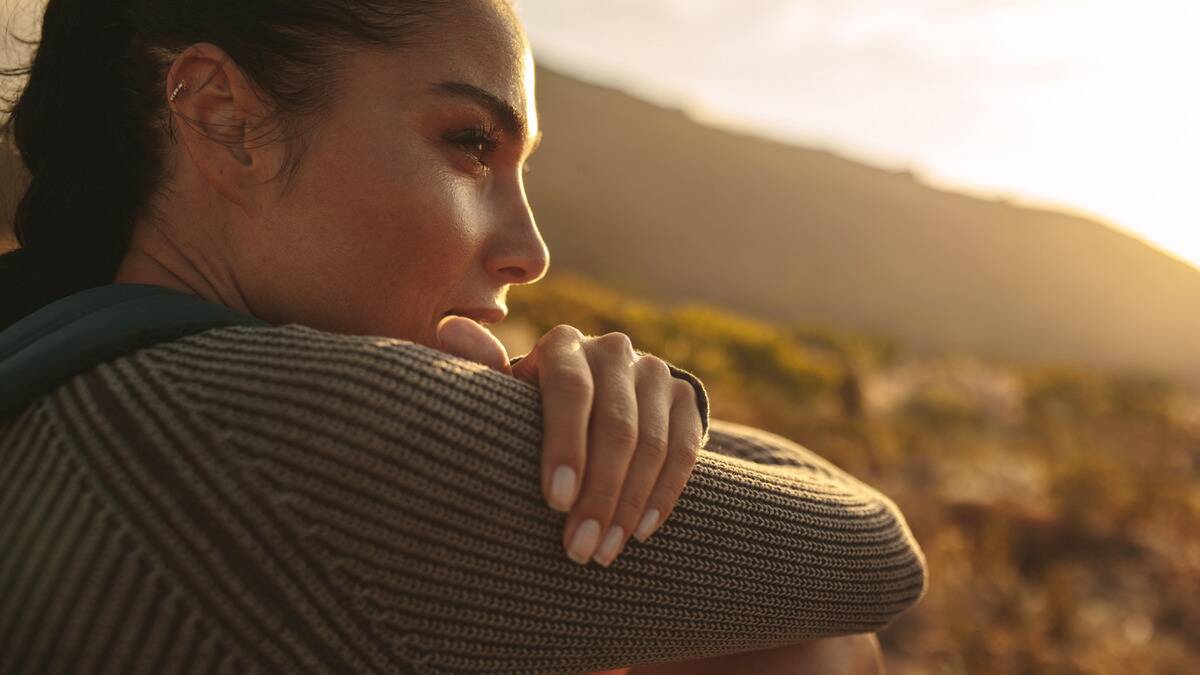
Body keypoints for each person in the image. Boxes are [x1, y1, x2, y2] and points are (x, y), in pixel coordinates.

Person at [0, 0, 927, 673]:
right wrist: (637, 418)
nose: (530, 251)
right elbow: (875, 554)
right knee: (809, 648)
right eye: (469, 144)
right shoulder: (260, 421)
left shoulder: (60, 359)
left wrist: (630, 415)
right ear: (220, 116)